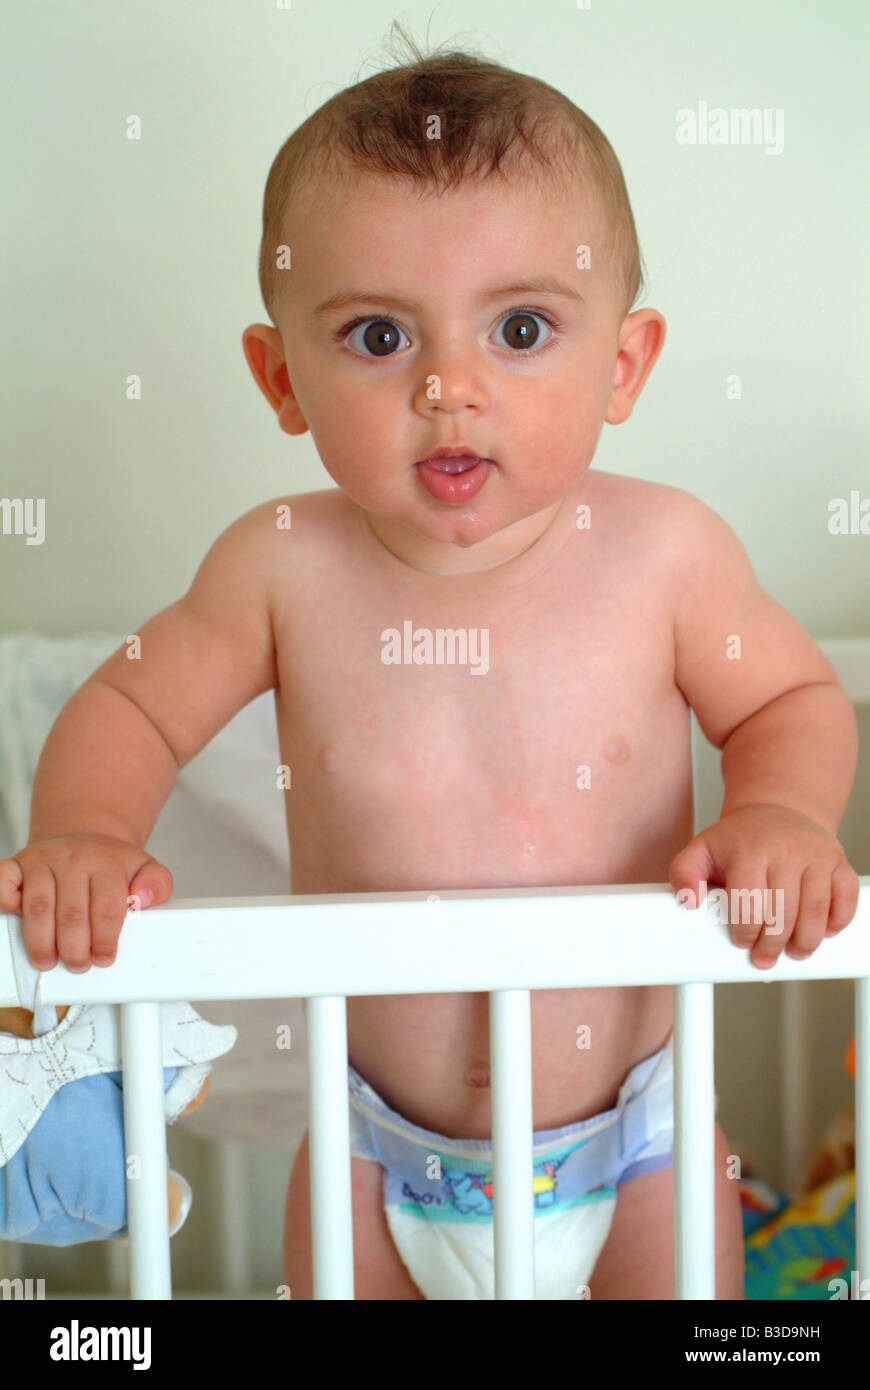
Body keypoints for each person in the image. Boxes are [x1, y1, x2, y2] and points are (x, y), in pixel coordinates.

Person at [0, 31, 859, 1297]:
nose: (450, 388)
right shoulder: (278, 564)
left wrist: (781, 811)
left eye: (519, 327)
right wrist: (82, 831)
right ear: (281, 375)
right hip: (368, 1144)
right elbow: (130, 699)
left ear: (622, 363)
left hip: (637, 1142)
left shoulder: (668, 554)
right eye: (377, 337)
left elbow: (790, 695)